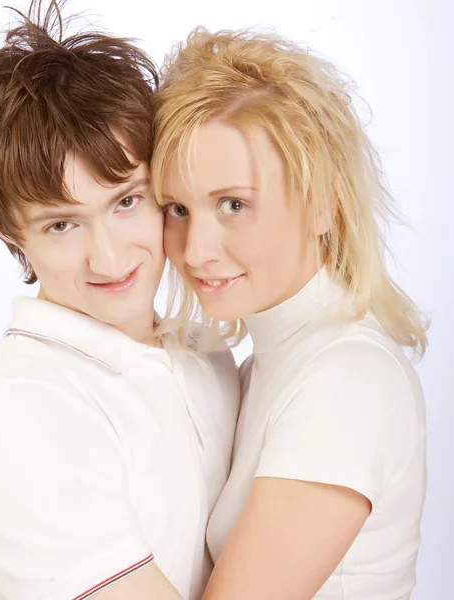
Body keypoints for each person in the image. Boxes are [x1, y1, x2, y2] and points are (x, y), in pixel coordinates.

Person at [0, 5, 239, 600]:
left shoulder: (201, 346)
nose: (109, 259)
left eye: (126, 202)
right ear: (10, 235)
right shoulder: (20, 412)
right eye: (61, 226)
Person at [151, 27, 428, 600]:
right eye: (178, 208)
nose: (196, 249)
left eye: (234, 205)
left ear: (324, 203)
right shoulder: (274, 365)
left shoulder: (346, 378)